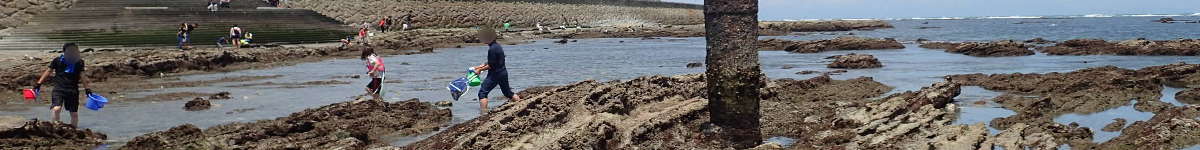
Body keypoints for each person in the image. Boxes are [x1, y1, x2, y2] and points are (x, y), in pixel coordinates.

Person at [33, 43, 92, 127]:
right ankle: (55, 127)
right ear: (64, 52)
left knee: (74, 114)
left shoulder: (79, 62)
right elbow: (48, 71)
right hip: (59, 89)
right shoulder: (57, 60)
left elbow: (82, 75)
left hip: (73, 90)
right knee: (56, 109)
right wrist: (38, 83)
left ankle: (74, 130)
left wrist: (87, 89)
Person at [472, 27, 520, 113]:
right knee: (507, 92)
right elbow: (495, 60)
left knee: (482, 93)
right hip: (503, 72)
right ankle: (520, 104)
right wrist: (481, 65)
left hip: (495, 74)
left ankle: (483, 113)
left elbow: (491, 65)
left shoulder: (492, 49)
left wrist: (479, 70)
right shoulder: (497, 46)